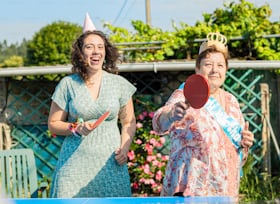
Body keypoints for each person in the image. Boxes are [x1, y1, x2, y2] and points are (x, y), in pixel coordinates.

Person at [152, 32, 254, 200]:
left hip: (225, 187)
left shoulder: (232, 101)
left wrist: (244, 143)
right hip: (193, 188)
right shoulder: (185, 95)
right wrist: (171, 114)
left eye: (220, 65)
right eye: (208, 64)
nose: (215, 70)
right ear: (197, 69)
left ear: (226, 70)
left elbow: (235, 145)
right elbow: (158, 123)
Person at [48, 13, 137, 198]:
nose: (96, 51)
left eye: (100, 47)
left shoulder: (119, 84)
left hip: (110, 166)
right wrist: (75, 127)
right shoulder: (67, 84)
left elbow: (129, 121)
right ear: (81, 53)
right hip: (73, 169)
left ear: (106, 52)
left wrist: (125, 148)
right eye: (89, 47)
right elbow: (53, 123)